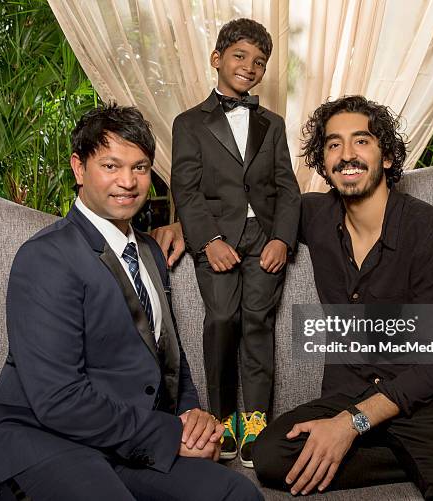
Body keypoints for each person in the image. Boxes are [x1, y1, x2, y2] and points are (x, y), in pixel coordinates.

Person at [0, 105, 263, 501]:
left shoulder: (150, 252)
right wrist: (168, 435)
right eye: (111, 166)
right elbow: (59, 399)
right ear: (79, 169)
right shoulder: (45, 257)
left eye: (140, 168)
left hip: (122, 447)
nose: (127, 182)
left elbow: (168, 358)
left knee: (237, 495)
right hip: (44, 442)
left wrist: (193, 418)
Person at [250, 96, 433, 498]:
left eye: (361, 141)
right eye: (333, 144)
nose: (347, 155)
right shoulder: (313, 215)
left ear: (386, 157)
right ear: (324, 163)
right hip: (348, 394)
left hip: (424, 400)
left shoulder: (428, 231)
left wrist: (351, 425)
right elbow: (245, 213)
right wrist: (181, 231)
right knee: (271, 456)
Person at [170, 18, 301, 467]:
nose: (250, 66)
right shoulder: (188, 123)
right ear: (218, 59)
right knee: (223, 319)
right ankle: (225, 421)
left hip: (264, 239)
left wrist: (283, 238)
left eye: (259, 62)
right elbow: (184, 190)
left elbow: (287, 187)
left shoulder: (273, 123)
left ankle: (258, 426)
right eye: (240, 56)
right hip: (219, 241)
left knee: (258, 325)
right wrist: (208, 241)